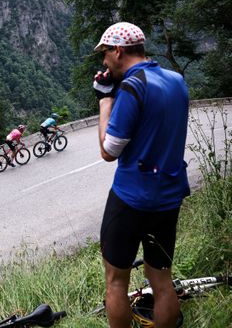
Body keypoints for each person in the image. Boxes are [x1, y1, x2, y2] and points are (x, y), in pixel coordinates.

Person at [93, 22, 189, 328]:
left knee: (116, 281)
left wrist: (105, 99)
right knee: (161, 280)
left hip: (131, 198)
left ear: (118, 51)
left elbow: (109, 150)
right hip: (168, 197)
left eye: (105, 53)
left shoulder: (133, 87)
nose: (104, 61)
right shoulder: (177, 81)